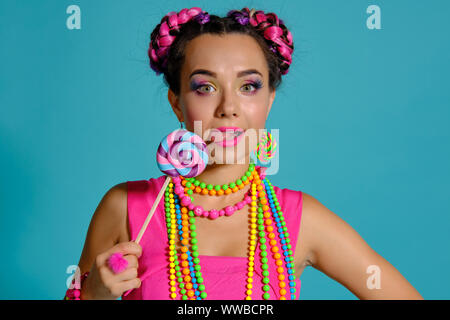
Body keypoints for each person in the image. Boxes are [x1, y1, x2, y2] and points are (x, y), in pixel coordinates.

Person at [69, 7, 423, 300]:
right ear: (176, 101)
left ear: (269, 100)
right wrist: (95, 294)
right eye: (205, 87)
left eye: (248, 86)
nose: (229, 107)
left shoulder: (298, 219)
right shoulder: (125, 207)